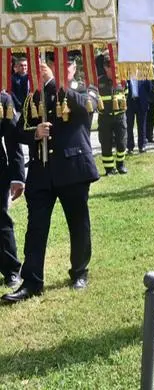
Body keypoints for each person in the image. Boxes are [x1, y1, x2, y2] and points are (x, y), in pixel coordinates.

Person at [2, 51, 99, 304]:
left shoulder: (84, 88)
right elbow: (18, 129)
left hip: (72, 169)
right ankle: (32, 281)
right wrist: (35, 133)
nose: (63, 66)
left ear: (73, 66)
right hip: (41, 171)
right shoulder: (35, 95)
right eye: (57, 62)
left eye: (68, 62)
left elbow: (86, 108)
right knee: (36, 227)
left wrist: (55, 83)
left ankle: (79, 271)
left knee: (78, 223)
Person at [0, 91, 24, 289]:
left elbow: (12, 139)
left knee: (1, 220)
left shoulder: (3, 99)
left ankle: (11, 270)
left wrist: (17, 176)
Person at [96, 53, 128, 176]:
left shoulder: (122, 81)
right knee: (106, 142)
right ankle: (109, 169)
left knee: (122, 142)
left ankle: (121, 164)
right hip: (105, 117)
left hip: (120, 117)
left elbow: (127, 94)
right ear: (105, 67)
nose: (114, 71)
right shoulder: (99, 81)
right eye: (111, 68)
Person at [126, 77, 151, 154]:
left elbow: (149, 87)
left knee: (141, 125)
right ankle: (130, 147)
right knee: (129, 125)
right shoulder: (126, 75)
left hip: (141, 102)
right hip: (129, 103)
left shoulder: (143, 75)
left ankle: (142, 146)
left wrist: (146, 99)